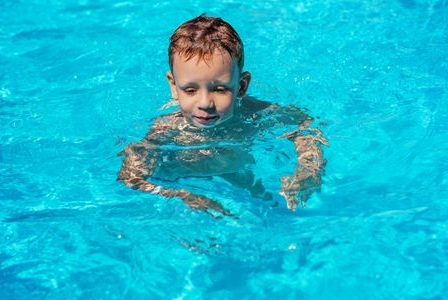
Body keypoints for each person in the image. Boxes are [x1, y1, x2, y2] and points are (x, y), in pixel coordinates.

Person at [118, 15, 327, 217]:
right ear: (174, 86)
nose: (205, 103)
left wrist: (308, 169)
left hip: (237, 172)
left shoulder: (256, 113)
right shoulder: (167, 128)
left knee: (274, 211)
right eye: (190, 90)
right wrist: (181, 195)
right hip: (185, 176)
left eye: (219, 89)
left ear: (242, 86)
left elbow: (303, 123)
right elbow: (130, 177)